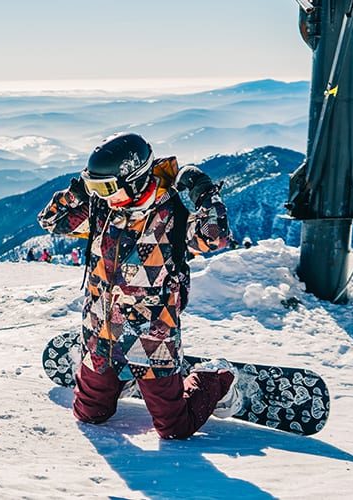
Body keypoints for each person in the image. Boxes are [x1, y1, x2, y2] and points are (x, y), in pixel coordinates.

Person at [38, 132, 235, 440]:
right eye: (95, 187)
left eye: (106, 188)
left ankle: (217, 377)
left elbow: (213, 237)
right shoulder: (103, 208)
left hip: (150, 333)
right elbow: (50, 221)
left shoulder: (171, 212)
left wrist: (205, 194)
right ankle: (126, 379)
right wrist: (78, 192)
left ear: (135, 179)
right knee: (90, 415)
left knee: (174, 428)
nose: (101, 195)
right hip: (100, 328)